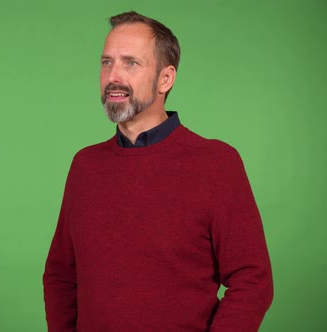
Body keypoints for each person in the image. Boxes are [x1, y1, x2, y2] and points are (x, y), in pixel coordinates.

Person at [42, 10, 273, 332]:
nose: (113, 76)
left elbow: (253, 279)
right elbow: (61, 274)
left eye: (131, 63)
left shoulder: (216, 162)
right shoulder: (85, 166)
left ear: (166, 78)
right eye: (106, 62)